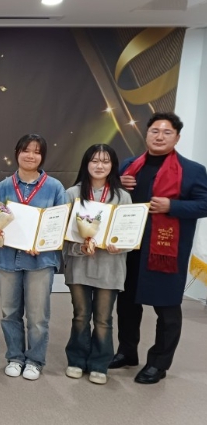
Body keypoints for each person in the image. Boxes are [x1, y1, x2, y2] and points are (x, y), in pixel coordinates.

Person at [110, 112, 207, 384]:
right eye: (155, 131)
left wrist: (172, 206)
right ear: (147, 134)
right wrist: (118, 183)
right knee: (127, 305)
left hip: (166, 252)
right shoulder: (130, 165)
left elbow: (204, 204)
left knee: (167, 310)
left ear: (177, 137)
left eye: (167, 132)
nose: (160, 136)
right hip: (131, 248)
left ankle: (158, 363)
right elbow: (110, 196)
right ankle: (127, 352)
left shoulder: (192, 170)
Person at [0, 134, 66, 381]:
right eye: (26, 150)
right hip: (7, 259)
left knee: (37, 316)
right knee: (9, 312)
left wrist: (43, 243)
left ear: (42, 157)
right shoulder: (3, 187)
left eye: (36, 151)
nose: (30, 155)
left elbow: (60, 225)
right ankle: (14, 356)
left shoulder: (55, 188)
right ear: (17, 153)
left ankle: (34, 360)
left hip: (40, 261)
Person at [63, 144, 130, 385]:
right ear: (86, 164)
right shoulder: (72, 194)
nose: (99, 166)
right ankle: (76, 360)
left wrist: (119, 245)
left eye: (105, 161)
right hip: (80, 265)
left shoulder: (122, 196)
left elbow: (130, 234)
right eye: (94, 160)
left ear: (113, 165)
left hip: (110, 267)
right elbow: (63, 235)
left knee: (103, 318)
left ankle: (100, 363)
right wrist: (79, 248)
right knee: (80, 316)